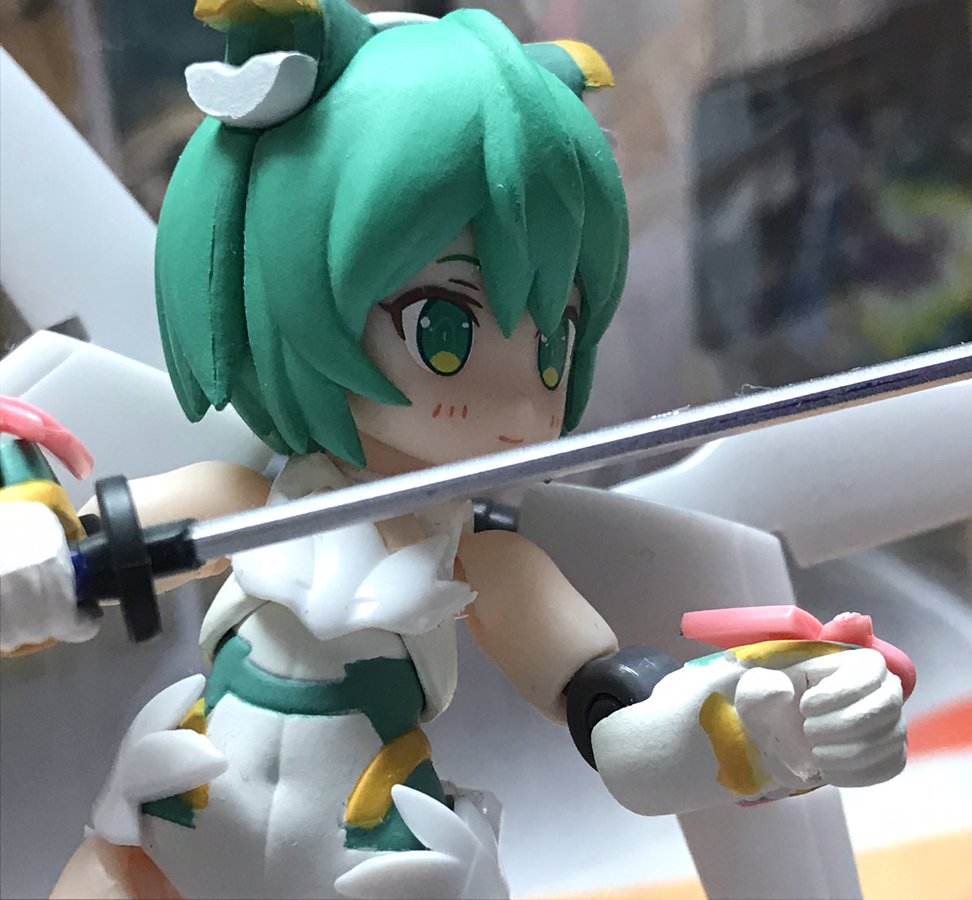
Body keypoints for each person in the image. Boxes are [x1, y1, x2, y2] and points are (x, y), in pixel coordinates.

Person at [1, 5, 908, 897]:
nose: (521, 402)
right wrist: (27, 541)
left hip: (370, 855)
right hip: (181, 804)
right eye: (444, 327)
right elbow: (70, 564)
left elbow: (610, 712)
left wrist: (759, 726)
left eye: (554, 345)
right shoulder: (238, 497)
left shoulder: (486, 562)